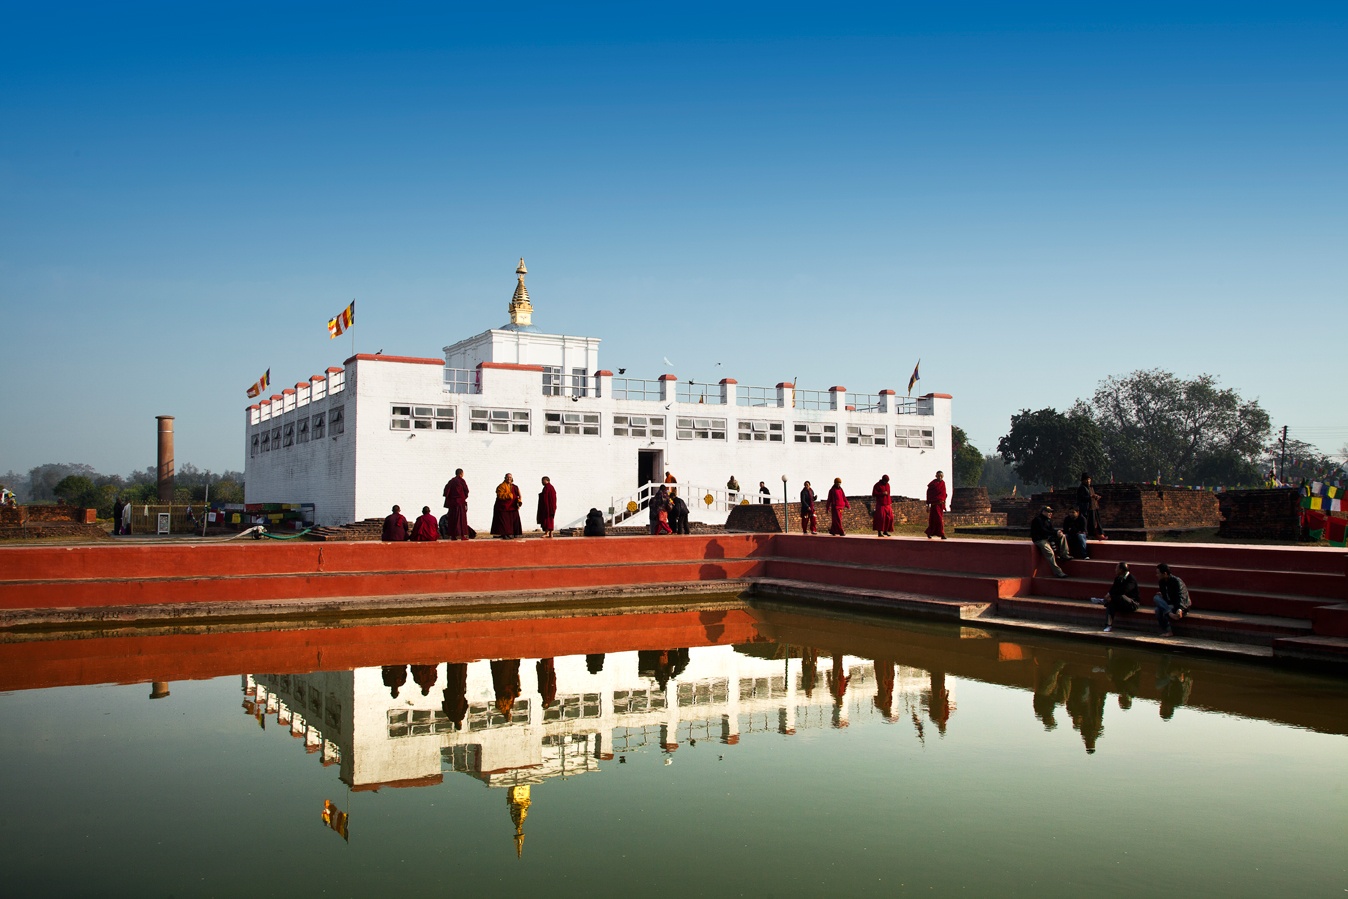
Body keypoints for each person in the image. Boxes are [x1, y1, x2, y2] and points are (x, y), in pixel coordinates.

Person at [1090, 562, 1140, 632]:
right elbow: (1113, 589)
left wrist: (1111, 596)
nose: (1115, 570)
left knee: (1120, 596)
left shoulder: (1131, 579)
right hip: (1119, 602)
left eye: (1117, 568)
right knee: (1111, 604)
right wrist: (1108, 594)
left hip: (1131, 603)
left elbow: (1124, 590)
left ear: (1121, 570)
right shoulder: (1117, 578)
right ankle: (1108, 625)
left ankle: (1104, 601)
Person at [1030, 506, 1070, 578]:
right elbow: (1043, 531)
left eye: (1051, 512)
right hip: (1040, 539)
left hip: (1047, 537)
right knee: (1050, 553)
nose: (1050, 513)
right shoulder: (1038, 520)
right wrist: (1054, 533)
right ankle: (1058, 572)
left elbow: (1051, 529)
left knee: (1062, 536)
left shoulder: (1048, 520)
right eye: (1048, 512)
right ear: (1043, 512)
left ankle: (1064, 554)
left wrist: (1057, 532)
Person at [1153, 563, 1191, 637]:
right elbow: (1166, 597)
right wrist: (1163, 595)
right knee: (1156, 598)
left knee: (1159, 610)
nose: (1156, 575)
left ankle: (1168, 630)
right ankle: (1170, 616)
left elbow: (1182, 596)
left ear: (1165, 573)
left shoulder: (1177, 581)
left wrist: (1180, 608)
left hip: (1180, 606)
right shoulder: (1161, 582)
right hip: (1169, 605)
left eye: (1158, 573)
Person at [491, 474, 523, 539]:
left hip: (512, 506)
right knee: (504, 522)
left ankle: (514, 533)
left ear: (512, 478)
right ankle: (505, 534)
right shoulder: (501, 486)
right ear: (505, 478)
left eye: (510, 477)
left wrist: (519, 501)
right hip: (503, 507)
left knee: (514, 520)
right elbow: (500, 495)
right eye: (507, 477)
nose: (509, 479)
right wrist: (509, 495)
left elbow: (518, 496)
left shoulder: (515, 487)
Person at [442, 468, 470, 540]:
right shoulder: (462, 481)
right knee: (461, 519)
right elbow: (466, 491)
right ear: (461, 474)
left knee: (453, 519)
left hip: (452, 503)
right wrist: (463, 498)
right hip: (460, 503)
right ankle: (462, 535)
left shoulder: (451, 481)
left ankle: (453, 536)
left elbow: (446, 491)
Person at [1078, 472, 1106, 540]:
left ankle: (1099, 534)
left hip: (1093, 507)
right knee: (1090, 523)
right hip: (1087, 508)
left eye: (1089, 479)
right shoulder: (1082, 488)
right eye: (1086, 479)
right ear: (1083, 480)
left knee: (1096, 522)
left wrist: (1096, 497)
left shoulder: (1090, 488)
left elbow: (1092, 496)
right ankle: (1092, 535)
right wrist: (1091, 496)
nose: (1088, 481)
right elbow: (1081, 498)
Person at [925, 470, 948, 539]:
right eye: (938, 476)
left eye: (941, 476)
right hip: (934, 505)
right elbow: (929, 495)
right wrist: (927, 505)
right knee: (938, 519)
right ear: (936, 476)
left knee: (935, 520)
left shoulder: (943, 483)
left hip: (941, 504)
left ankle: (930, 532)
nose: (940, 477)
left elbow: (944, 494)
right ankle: (942, 534)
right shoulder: (932, 484)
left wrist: (944, 503)